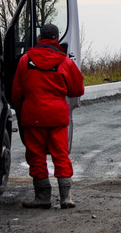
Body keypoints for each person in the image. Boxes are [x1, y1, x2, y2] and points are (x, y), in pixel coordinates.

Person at [12, 24, 85, 209]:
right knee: (60, 154)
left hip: (33, 115)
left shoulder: (25, 60)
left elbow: (16, 93)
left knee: (36, 155)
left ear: (39, 37)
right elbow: (77, 89)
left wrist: (23, 110)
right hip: (57, 116)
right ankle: (66, 197)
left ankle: (42, 197)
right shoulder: (65, 62)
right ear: (56, 39)